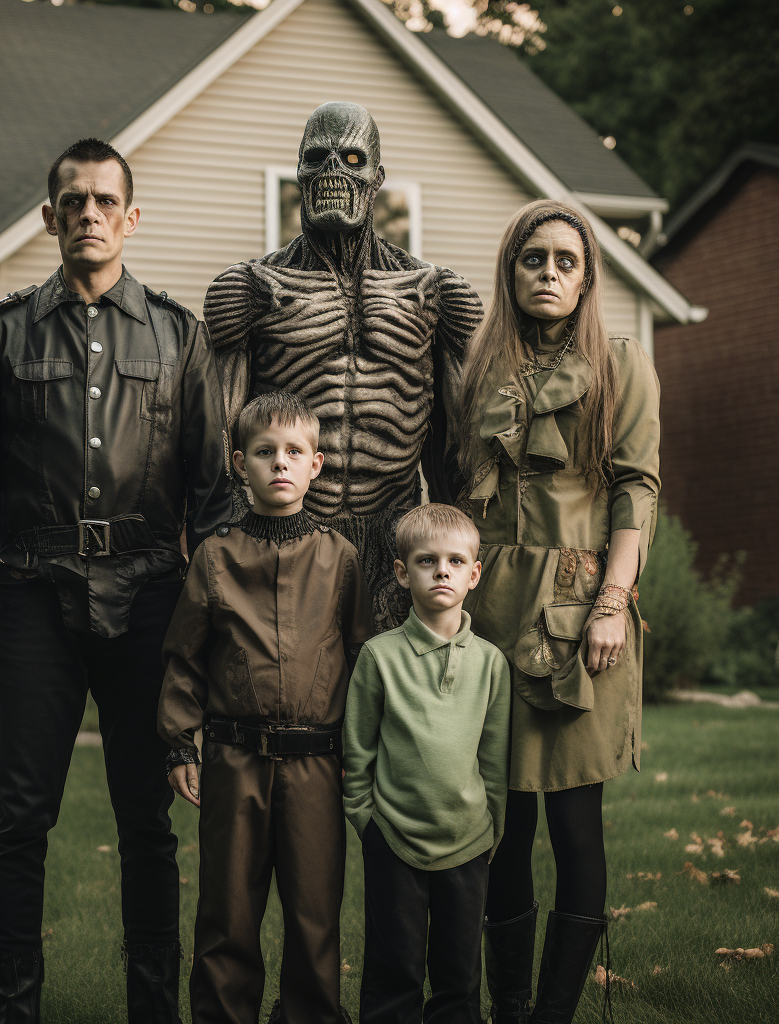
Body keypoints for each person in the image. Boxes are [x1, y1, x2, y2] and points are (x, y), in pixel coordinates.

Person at [0, 137, 232, 1024]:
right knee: (23, 816)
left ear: (131, 217)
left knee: (148, 824)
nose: (90, 215)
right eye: (74, 202)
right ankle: (12, 1005)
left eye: (107, 201)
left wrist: (209, 619)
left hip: (152, 597)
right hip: (35, 591)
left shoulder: (181, 335)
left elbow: (215, 491)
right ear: (50, 218)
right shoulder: (6, 331)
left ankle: (154, 1007)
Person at [458, 199, 661, 1023]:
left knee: (576, 822)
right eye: (533, 259)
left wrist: (614, 602)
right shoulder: (479, 369)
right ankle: (509, 1009)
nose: (549, 273)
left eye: (565, 262)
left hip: (583, 610)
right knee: (501, 826)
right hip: (489, 615)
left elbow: (636, 489)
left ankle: (554, 1013)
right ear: (511, 271)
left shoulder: (621, 362)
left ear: (587, 277)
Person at [204, 101, 483, 631]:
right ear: (300, 173)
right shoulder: (252, 288)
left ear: (377, 177)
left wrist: (459, 537)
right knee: (293, 696)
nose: (333, 171)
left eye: (351, 158)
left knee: (393, 693)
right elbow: (220, 430)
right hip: (289, 528)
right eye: (317, 158)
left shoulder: (433, 291)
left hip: (397, 530)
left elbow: (458, 435)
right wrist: (226, 541)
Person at [157, 391, 373, 1024]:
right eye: (264, 452)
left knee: (314, 913)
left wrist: (359, 756)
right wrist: (178, 743)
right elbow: (184, 660)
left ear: (317, 464)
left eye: (294, 452)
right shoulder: (215, 557)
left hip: (318, 766)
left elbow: (361, 662)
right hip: (234, 760)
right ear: (239, 464)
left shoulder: (341, 558)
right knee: (227, 911)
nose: (280, 463)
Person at [343, 503, 511, 1024]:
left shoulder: (490, 663)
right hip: (393, 838)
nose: (442, 570)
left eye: (456, 561)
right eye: (427, 560)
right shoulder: (378, 657)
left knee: (458, 976)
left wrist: (491, 828)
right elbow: (358, 751)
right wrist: (367, 820)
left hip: (468, 841)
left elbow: (495, 759)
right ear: (402, 572)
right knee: (395, 970)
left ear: (474, 574)